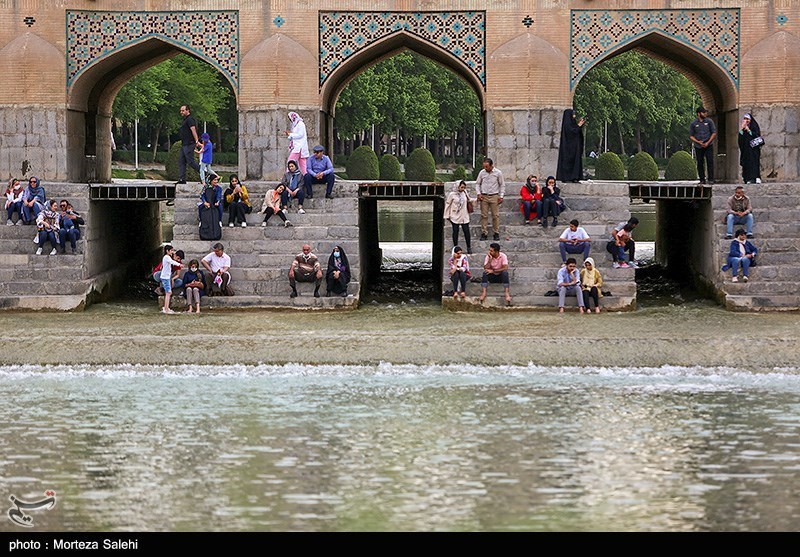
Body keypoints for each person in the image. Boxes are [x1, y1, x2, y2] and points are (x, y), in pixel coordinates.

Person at [475, 157, 505, 241]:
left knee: (495, 215)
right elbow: (477, 184)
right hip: (484, 196)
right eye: (484, 166)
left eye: (487, 166)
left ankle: (496, 232)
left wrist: (501, 196)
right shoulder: (482, 173)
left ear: (491, 165)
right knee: (484, 215)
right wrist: (478, 193)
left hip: (494, 195)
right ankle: (484, 232)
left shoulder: (498, 173)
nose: (485, 168)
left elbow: (502, 184)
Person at [556, 109, 585, 183]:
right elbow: (572, 132)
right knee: (569, 162)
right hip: (569, 149)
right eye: (573, 114)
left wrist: (579, 125)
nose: (574, 116)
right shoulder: (567, 124)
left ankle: (575, 177)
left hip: (575, 148)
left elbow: (576, 131)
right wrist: (579, 126)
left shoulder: (572, 123)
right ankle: (567, 177)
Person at [690, 106, 717, 185]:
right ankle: (702, 179)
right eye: (703, 112)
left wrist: (708, 142)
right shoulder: (694, 123)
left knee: (710, 161)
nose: (705, 114)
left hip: (708, 144)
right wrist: (698, 142)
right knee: (700, 162)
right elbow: (691, 135)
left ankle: (711, 179)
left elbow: (714, 133)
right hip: (699, 146)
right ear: (699, 114)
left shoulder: (709, 122)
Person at [444, 180, 472, 254]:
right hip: (455, 215)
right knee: (455, 231)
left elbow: (469, 200)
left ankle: (469, 247)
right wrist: (447, 215)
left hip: (464, 215)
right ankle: (455, 247)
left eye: (464, 187)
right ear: (458, 186)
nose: (463, 189)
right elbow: (448, 204)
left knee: (466, 231)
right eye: (462, 187)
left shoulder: (464, 193)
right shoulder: (452, 194)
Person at [177, 104, 202, 184]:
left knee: (191, 162)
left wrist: (196, 141)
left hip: (189, 144)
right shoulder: (185, 120)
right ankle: (182, 179)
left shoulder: (190, 119)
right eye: (181, 110)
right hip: (184, 144)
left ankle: (204, 174)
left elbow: (193, 130)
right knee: (181, 161)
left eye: (183, 110)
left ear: (188, 110)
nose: (181, 112)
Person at [159, 245, 185, 314]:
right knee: (168, 293)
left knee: (168, 292)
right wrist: (179, 265)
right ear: (167, 251)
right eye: (171, 250)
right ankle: (166, 308)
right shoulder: (167, 257)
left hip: (166, 277)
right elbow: (173, 262)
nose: (172, 252)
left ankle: (166, 307)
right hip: (166, 277)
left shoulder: (167, 257)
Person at [738, 113, 762, 185]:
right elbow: (740, 140)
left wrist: (749, 131)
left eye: (747, 119)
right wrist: (742, 130)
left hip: (754, 151)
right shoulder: (743, 129)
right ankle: (747, 178)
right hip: (746, 150)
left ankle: (756, 177)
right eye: (745, 119)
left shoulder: (754, 127)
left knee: (754, 163)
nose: (746, 121)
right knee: (746, 164)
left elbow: (756, 136)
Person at [286, 111, 309, 175]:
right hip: (299, 146)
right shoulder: (296, 125)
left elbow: (300, 135)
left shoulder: (300, 124)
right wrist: (290, 135)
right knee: (303, 165)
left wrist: (291, 134)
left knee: (290, 162)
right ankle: (306, 177)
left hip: (299, 147)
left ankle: (287, 176)